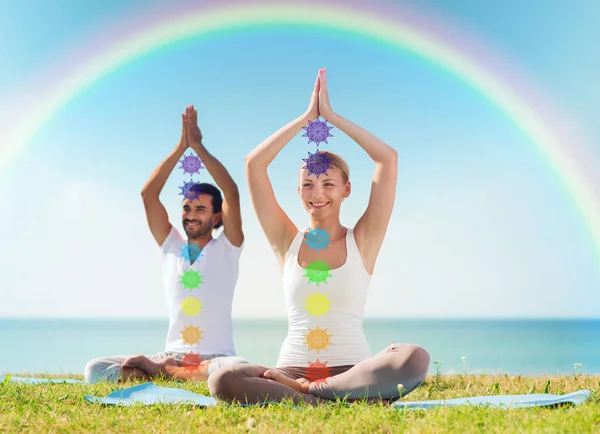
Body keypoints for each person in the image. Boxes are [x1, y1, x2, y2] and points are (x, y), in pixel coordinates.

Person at [208, 69, 430, 405]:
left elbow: (388, 158)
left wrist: (331, 117)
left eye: (328, 184)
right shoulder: (287, 241)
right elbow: (254, 164)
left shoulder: (363, 241)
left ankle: (318, 395)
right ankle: (333, 400)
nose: (317, 193)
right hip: (290, 372)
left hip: (352, 372)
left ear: (346, 190)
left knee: (414, 356)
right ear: (298, 190)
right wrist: (306, 118)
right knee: (223, 378)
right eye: (308, 184)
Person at [84, 105, 248, 383]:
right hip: (171, 354)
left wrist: (197, 147)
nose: (190, 214)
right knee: (94, 368)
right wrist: (180, 147)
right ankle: (171, 371)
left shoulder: (228, 247)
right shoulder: (171, 245)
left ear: (217, 216)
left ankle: (163, 374)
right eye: (186, 208)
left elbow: (231, 191)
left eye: (199, 209)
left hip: (216, 357)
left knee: (237, 368)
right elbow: (148, 194)